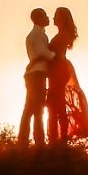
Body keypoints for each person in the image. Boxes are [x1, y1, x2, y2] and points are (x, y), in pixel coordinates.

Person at [46, 5, 88, 144]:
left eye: (56, 15)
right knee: (56, 105)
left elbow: (54, 55)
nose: (53, 17)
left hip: (59, 70)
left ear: (62, 18)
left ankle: (57, 140)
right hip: (58, 70)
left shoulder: (62, 35)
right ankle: (57, 139)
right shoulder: (62, 34)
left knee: (56, 106)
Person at [19, 8, 53, 145]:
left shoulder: (35, 34)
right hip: (37, 74)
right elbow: (41, 53)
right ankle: (38, 141)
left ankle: (26, 140)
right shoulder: (39, 34)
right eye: (45, 15)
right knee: (36, 109)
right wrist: (57, 58)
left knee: (31, 108)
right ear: (39, 18)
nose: (48, 17)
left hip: (34, 73)